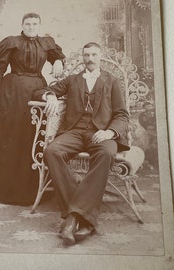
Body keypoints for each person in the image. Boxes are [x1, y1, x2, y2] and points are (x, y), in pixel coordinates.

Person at [33, 42, 130, 245]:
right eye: (86, 55)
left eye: (94, 54)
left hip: (101, 133)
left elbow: (121, 114)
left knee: (106, 154)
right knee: (52, 151)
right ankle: (82, 215)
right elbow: (42, 90)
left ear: (100, 57)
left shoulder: (111, 80)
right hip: (75, 131)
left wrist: (110, 132)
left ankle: (72, 219)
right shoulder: (72, 80)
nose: (90, 58)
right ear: (83, 58)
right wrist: (50, 96)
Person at [0, 13, 65, 205]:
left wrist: (57, 60)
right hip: (12, 94)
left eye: (34, 24)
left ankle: (31, 187)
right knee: (11, 136)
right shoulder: (11, 42)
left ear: (39, 25)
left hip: (37, 89)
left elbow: (57, 54)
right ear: (22, 25)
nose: (31, 27)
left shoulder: (46, 42)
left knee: (31, 136)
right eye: (28, 24)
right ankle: (4, 188)